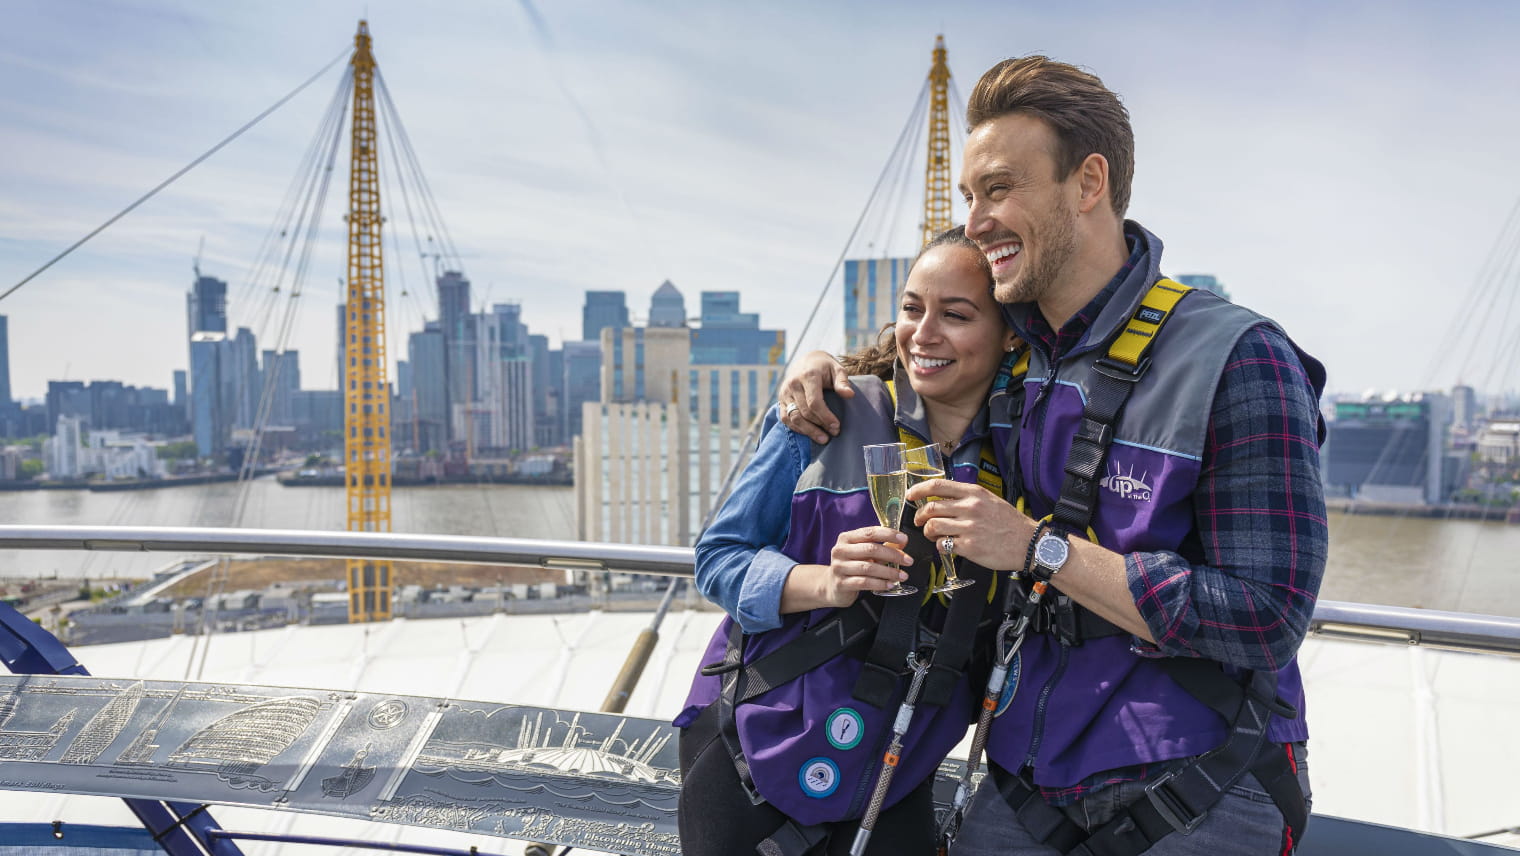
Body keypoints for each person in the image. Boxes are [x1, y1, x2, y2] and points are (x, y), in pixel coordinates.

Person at [776, 56, 1327, 856]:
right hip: (1027, 776)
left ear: (1088, 181)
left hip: (1200, 779)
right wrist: (824, 367)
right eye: (969, 197)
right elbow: (924, 358)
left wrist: (1040, 549)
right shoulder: (1017, 356)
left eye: (999, 188)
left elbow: (1267, 616)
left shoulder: (1238, 359)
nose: (975, 220)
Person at [673, 227, 1021, 856]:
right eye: (913, 308)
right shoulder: (823, 416)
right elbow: (719, 559)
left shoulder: (1026, 457)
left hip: (897, 762)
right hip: (751, 744)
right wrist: (824, 583)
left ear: (1012, 334)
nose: (925, 332)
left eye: (958, 315)